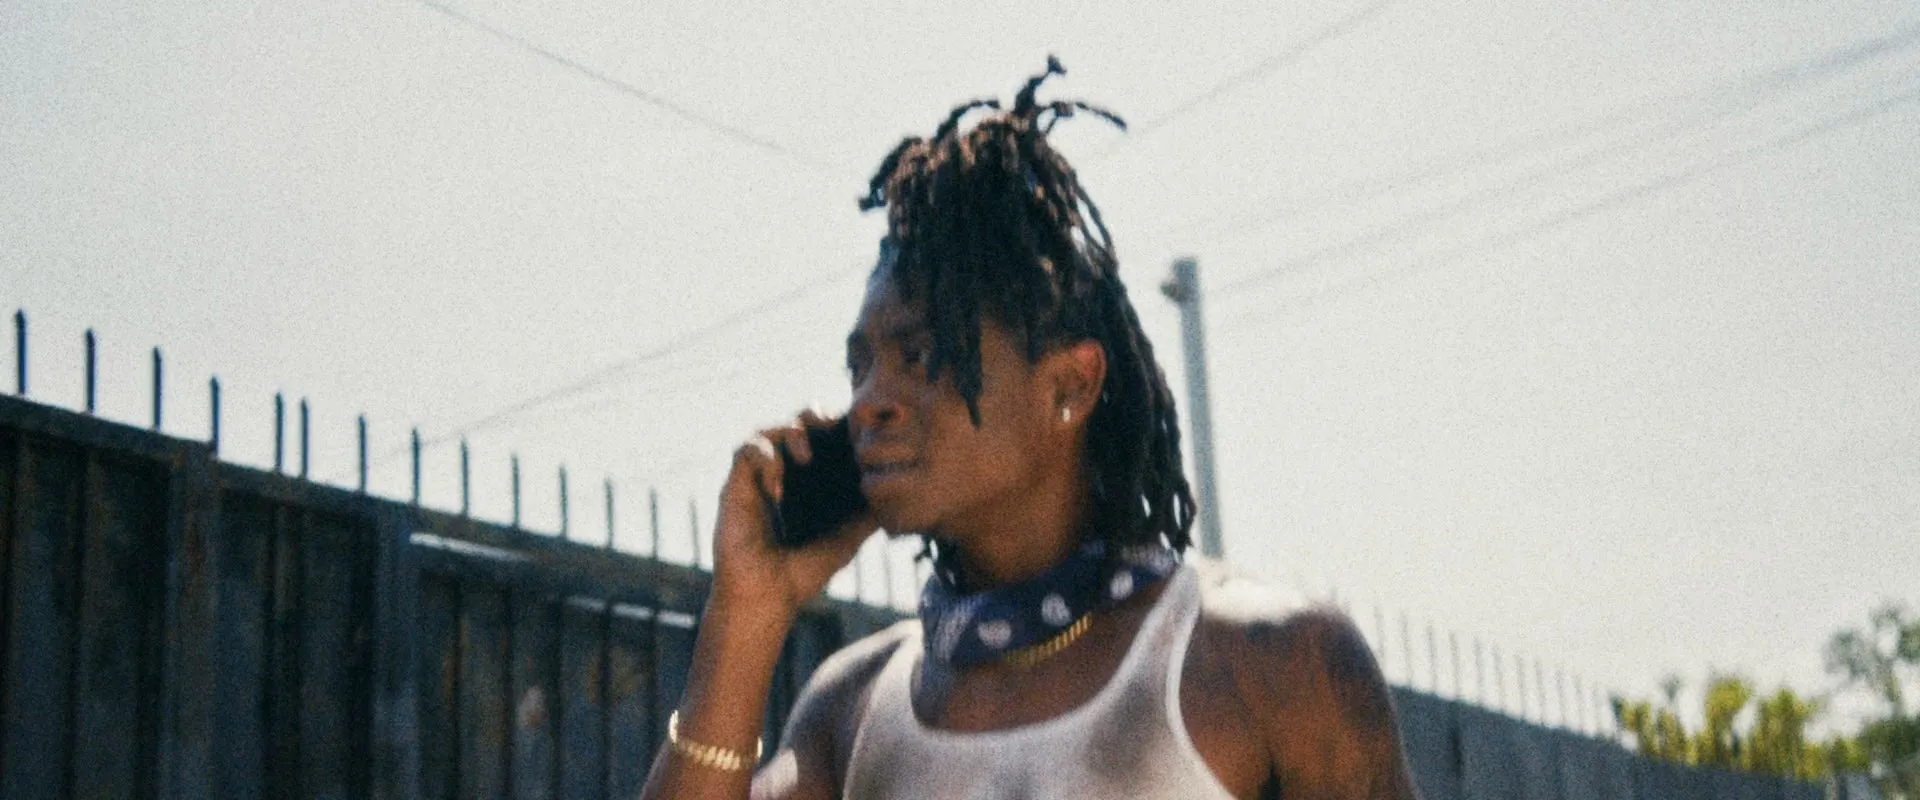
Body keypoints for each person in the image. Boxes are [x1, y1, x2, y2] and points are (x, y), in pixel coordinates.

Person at [640, 58, 1419, 800]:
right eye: (860, 368)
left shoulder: (1266, 662)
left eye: (921, 356)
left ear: (1069, 387)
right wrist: (745, 617)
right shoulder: (854, 710)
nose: (870, 402)